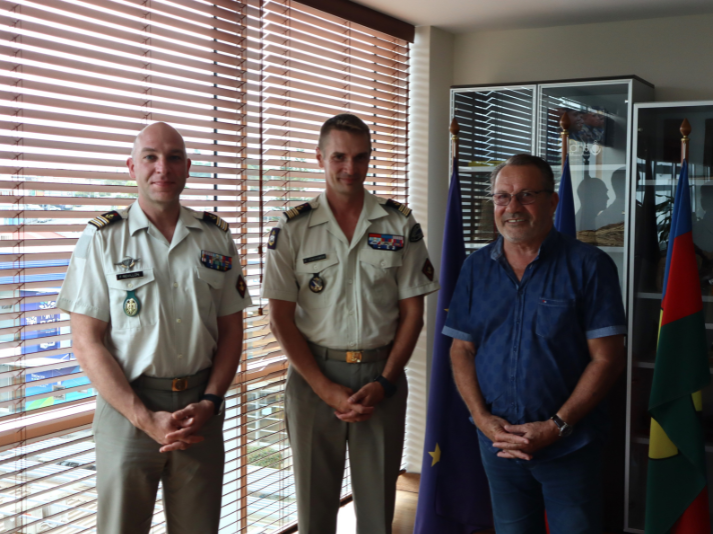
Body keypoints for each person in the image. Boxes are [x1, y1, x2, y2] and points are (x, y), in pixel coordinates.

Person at [57, 122, 251, 534]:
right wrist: (144, 418)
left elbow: (232, 332)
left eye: (173, 157)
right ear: (132, 167)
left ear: (187, 167)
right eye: (150, 157)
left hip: (200, 410)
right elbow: (86, 341)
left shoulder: (215, 238)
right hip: (128, 409)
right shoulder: (103, 239)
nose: (163, 167)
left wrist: (212, 401)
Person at [263, 113, 440, 534]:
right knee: (314, 509)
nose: (350, 168)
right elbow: (279, 319)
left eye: (360, 158)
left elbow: (413, 314)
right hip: (312, 379)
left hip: (382, 378)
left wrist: (385, 382)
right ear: (320, 157)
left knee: (378, 511)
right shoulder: (293, 228)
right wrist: (324, 387)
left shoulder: (398, 223)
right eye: (339, 157)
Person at [444, 154, 626, 534]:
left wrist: (556, 426)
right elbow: (461, 349)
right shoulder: (476, 268)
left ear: (553, 202)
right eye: (501, 197)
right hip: (499, 445)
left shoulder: (589, 266)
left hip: (570, 446)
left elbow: (607, 359)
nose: (512, 208)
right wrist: (482, 419)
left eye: (526, 195)